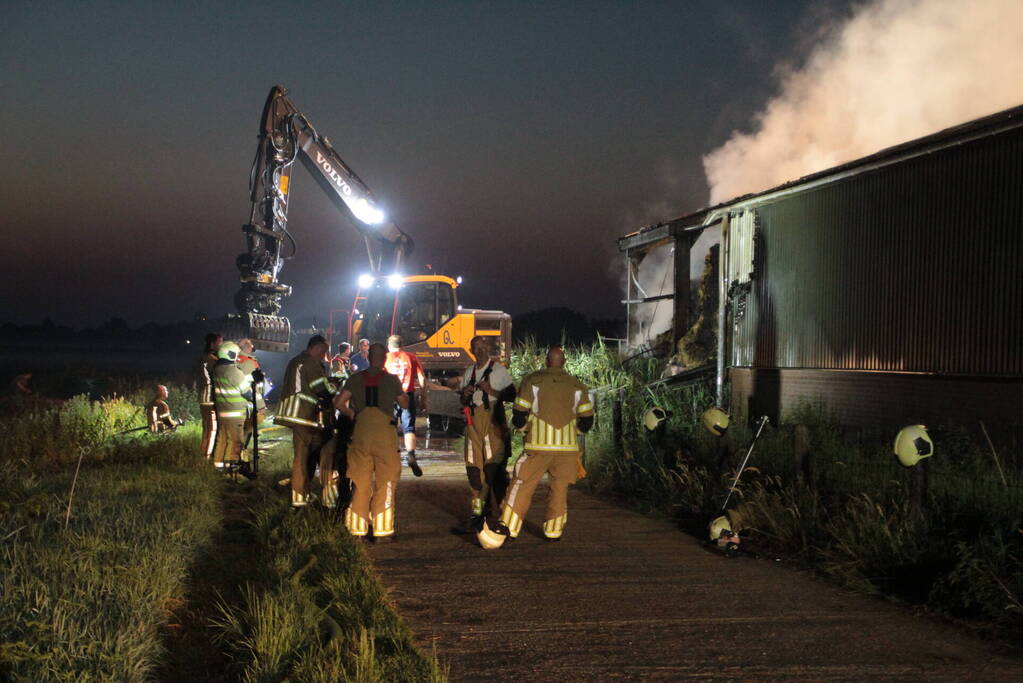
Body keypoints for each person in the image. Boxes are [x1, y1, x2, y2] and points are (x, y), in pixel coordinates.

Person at [500, 347, 594, 542]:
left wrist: (525, 427)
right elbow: (587, 421)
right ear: (565, 362)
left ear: (546, 361)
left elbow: (518, 416)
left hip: (537, 447)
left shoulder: (532, 381)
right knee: (559, 490)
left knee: (521, 485)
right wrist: (573, 431)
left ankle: (509, 527)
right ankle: (553, 531)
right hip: (567, 450)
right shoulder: (577, 385)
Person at [335, 342, 407, 541]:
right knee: (387, 480)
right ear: (384, 358)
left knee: (360, 480)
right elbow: (404, 403)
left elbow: (339, 403)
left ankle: (357, 529)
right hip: (385, 435)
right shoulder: (392, 380)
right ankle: (381, 531)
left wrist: (353, 414)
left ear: (368, 357)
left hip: (361, 434)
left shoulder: (355, 378)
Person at [276, 335, 340, 508]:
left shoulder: (295, 361)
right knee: (303, 459)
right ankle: (305, 498)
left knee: (301, 458)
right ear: (316, 348)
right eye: (323, 352)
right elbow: (321, 388)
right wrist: (334, 387)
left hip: (293, 413)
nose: (324, 356)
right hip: (304, 414)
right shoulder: (311, 363)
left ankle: (299, 498)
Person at [458, 335, 515, 524]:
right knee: (474, 469)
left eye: (483, 347)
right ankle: (479, 513)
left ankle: (500, 513)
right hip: (472, 424)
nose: (480, 351)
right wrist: (465, 395)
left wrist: (491, 391)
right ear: (472, 350)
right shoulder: (469, 372)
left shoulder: (499, 371)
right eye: (476, 348)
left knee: (494, 469)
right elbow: (462, 401)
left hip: (493, 423)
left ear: (488, 349)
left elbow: (513, 396)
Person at [211, 341, 256, 479]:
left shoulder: (217, 370)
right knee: (236, 442)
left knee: (222, 440)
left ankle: (219, 468)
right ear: (230, 354)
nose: (237, 357)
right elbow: (248, 394)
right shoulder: (234, 372)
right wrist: (254, 383)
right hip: (235, 413)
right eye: (236, 354)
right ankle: (232, 471)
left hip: (222, 412)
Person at [385, 334, 426, 477]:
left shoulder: (385, 358)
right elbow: (422, 378)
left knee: (389, 427)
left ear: (389, 346)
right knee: (409, 428)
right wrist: (423, 397)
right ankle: (411, 456)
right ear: (402, 345)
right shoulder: (411, 357)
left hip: (389, 396)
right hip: (406, 396)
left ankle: (391, 456)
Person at [196, 332, 222, 458]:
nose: (221, 345)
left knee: (206, 429)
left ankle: (203, 455)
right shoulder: (212, 360)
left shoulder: (203, 357)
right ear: (212, 344)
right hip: (210, 398)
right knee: (212, 429)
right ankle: (206, 457)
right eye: (220, 342)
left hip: (203, 396)